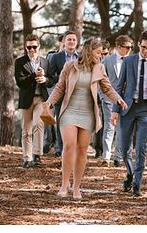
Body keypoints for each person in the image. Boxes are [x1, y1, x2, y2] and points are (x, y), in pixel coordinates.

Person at [44, 38, 128, 199]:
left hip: (88, 113)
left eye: (102, 53)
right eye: (98, 53)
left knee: (82, 150)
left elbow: (107, 88)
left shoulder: (99, 68)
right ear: (89, 51)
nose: (101, 56)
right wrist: (49, 103)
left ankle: (76, 187)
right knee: (69, 145)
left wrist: (118, 99)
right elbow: (60, 87)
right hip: (69, 110)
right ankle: (64, 185)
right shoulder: (70, 66)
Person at [111, 30, 147, 197]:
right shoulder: (128, 61)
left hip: (146, 110)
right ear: (138, 45)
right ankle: (130, 172)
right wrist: (115, 110)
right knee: (125, 148)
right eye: (143, 47)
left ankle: (137, 184)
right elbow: (119, 86)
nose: (145, 51)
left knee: (141, 148)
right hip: (128, 107)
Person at [15, 34, 49, 169]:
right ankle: (27, 158)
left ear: (39, 46)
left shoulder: (45, 62)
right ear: (25, 47)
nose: (32, 49)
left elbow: (52, 79)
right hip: (26, 99)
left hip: (41, 98)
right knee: (26, 130)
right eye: (29, 47)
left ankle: (37, 155)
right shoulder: (20, 62)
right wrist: (34, 75)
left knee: (38, 125)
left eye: (34, 46)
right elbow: (20, 82)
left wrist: (44, 80)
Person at [45, 31, 80, 157]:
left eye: (74, 40)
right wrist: (62, 78)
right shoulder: (56, 57)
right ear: (64, 42)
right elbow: (50, 76)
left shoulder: (80, 57)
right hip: (61, 96)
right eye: (69, 39)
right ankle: (60, 149)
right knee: (61, 123)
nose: (71, 42)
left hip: (77, 96)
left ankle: (74, 148)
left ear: (76, 43)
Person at [100, 35, 132, 166]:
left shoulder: (132, 60)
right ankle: (106, 157)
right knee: (109, 127)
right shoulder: (107, 60)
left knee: (122, 128)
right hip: (109, 99)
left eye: (131, 47)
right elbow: (100, 80)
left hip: (126, 101)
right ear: (119, 47)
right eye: (127, 47)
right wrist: (102, 96)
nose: (129, 50)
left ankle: (117, 157)